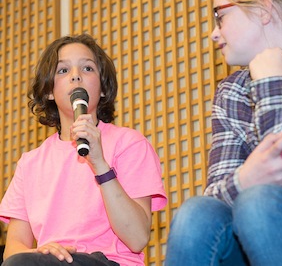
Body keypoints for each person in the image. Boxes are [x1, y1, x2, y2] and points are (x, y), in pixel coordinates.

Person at [165, 0, 282, 266]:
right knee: (196, 211)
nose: (213, 33)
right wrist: (245, 180)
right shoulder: (231, 91)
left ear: (264, 8)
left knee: (259, 202)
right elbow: (216, 196)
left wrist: (272, 82)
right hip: (251, 230)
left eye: (219, 16)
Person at [0, 34, 167, 266]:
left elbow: (137, 238)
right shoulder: (30, 163)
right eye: (63, 70)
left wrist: (100, 164)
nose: (76, 75)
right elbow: (13, 248)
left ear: (102, 89)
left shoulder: (129, 143)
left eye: (87, 68)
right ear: (49, 91)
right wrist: (41, 251)